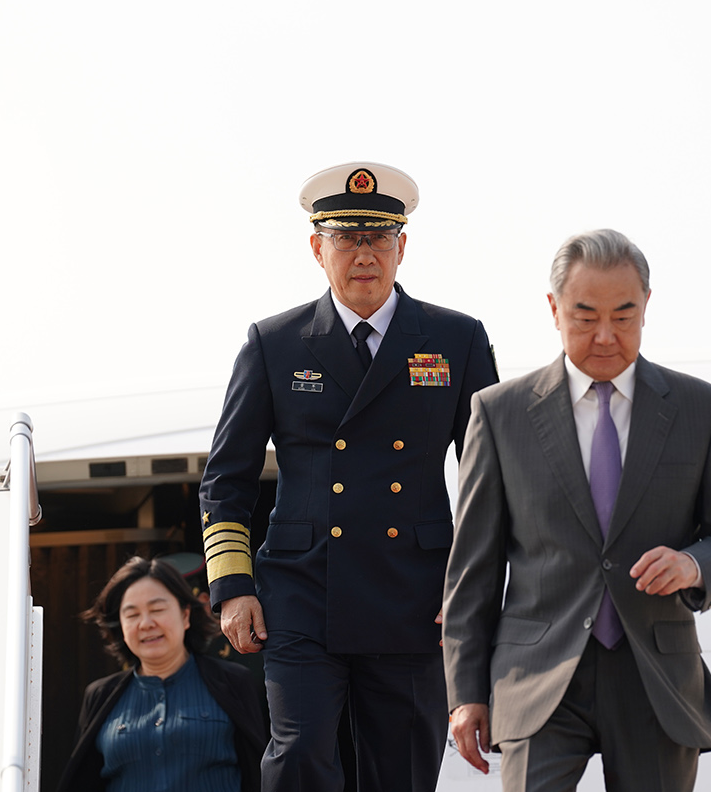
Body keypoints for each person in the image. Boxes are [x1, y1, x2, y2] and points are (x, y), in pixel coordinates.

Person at [198, 161, 499, 792]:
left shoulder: (456, 339)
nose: (364, 254)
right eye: (346, 239)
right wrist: (232, 586)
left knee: (402, 771)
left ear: (401, 247)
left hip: (415, 596)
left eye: (379, 238)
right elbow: (226, 478)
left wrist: (470, 590)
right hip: (304, 592)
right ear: (318, 249)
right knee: (298, 755)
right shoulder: (275, 343)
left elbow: (491, 480)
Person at [443, 229, 711, 792]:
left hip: (655, 679)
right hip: (537, 675)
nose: (605, 336)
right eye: (585, 315)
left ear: (647, 306)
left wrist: (693, 565)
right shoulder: (499, 414)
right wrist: (465, 693)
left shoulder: (702, 409)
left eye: (624, 315)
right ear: (554, 309)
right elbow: (473, 570)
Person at [57, 557, 268, 792]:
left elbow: (260, 771)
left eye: (157, 610)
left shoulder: (234, 682)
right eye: (132, 614)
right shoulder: (100, 696)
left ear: (185, 616)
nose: (146, 623)